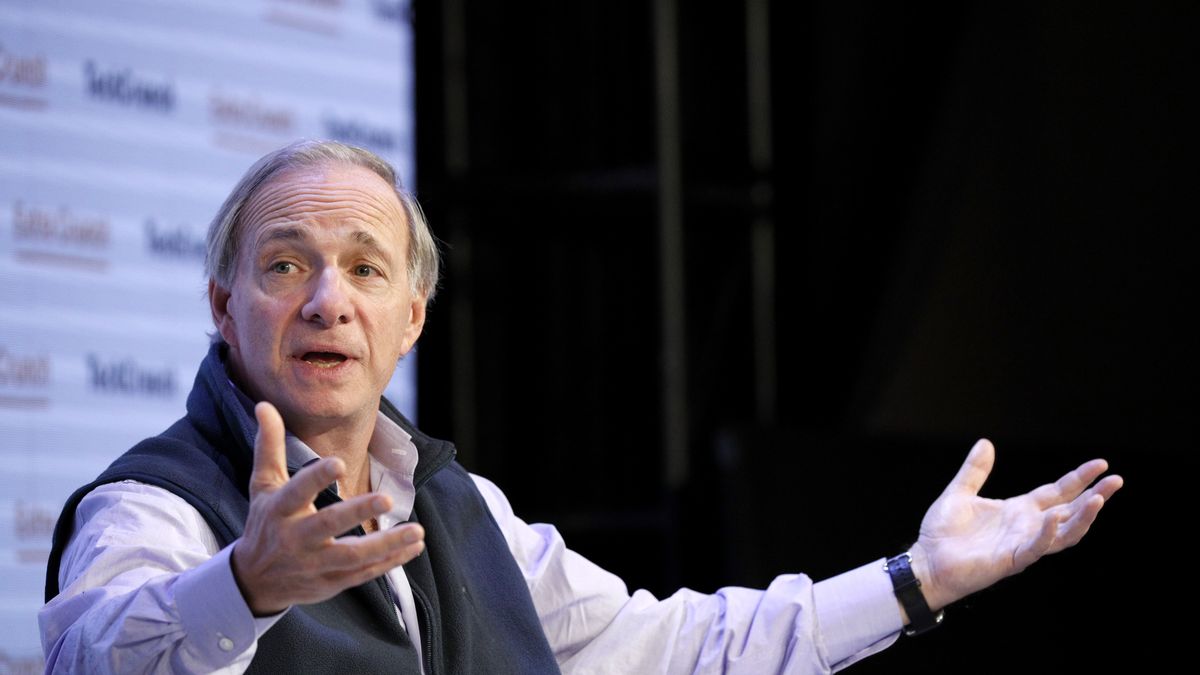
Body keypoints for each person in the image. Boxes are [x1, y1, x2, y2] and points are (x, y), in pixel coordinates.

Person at [39, 140, 1123, 674]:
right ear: (224, 307)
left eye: (367, 271)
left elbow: (679, 647)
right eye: (286, 264)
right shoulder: (157, 506)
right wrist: (245, 585)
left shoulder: (459, 508)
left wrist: (918, 579)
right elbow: (90, 659)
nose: (329, 300)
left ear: (412, 318)